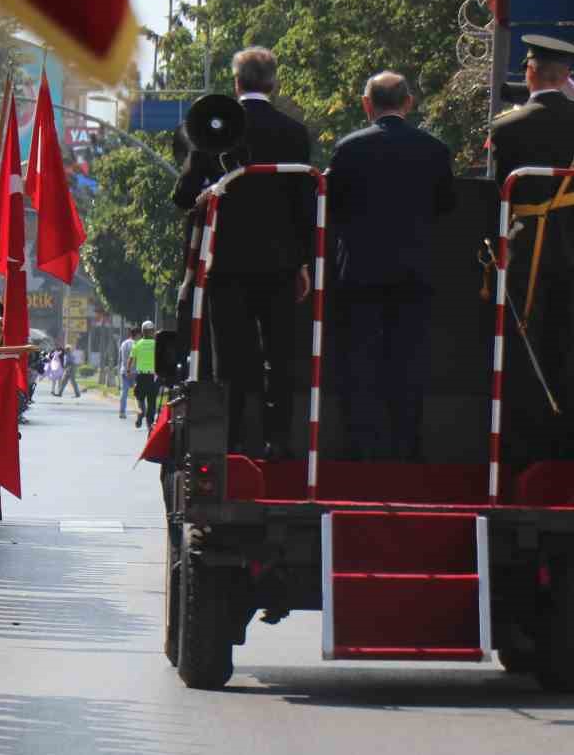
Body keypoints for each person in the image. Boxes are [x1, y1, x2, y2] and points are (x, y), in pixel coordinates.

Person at [172, 46, 313, 458]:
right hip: (281, 264)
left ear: (236, 83)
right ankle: (279, 439)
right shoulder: (294, 133)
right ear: (274, 83)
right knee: (280, 352)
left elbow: (183, 195)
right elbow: (305, 203)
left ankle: (233, 440)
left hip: (226, 264)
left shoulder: (213, 131)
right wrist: (303, 260)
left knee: (231, 356)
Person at [489, 35, 574, 464]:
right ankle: (570, 454)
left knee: (526, 353)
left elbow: (501, 197)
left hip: (530, 251)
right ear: (566, 77)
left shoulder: (507, 127)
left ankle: (524, 453)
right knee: (573, 353)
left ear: (529, 72)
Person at [327, 71, 455, 462]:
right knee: (408, 362)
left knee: (362, 362)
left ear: (367, 105)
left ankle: (363, 447)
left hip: (361, 274)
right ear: (409, 103)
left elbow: (333, 208)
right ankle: (406, 447)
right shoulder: (434, 151)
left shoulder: (348, 149)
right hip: (414, 273)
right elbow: (445, 206)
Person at [132, 321, 159, 429]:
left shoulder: (137, 344)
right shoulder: (157, 344)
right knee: (152, 400)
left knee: (139, 398)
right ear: (152, 331)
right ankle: (150, 423)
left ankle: (141, 413)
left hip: (141, 376)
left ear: (143, 332)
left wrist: (129, 371)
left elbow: (131, 359)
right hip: (153, 377)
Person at [118, 325, 139, 419]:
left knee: (124, 393)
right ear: (137, 334)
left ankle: (122, 412)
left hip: (124, 371)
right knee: (139, 392)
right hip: (135, 371)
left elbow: (120, 359)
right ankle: (140, 410)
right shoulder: (137, 344)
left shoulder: (123, 344)